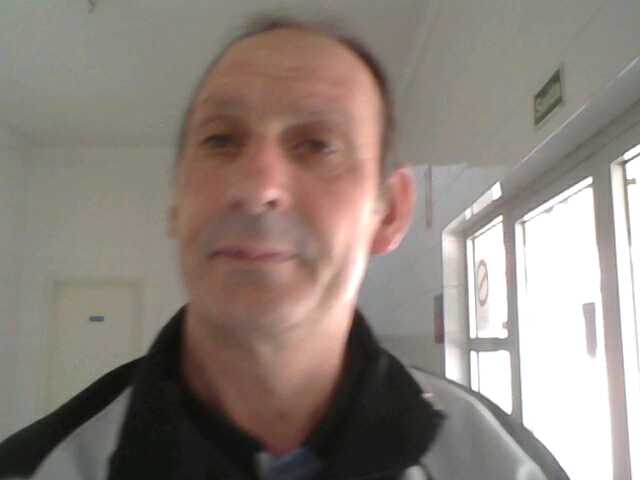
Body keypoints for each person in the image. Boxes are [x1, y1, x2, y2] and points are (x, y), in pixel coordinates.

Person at [0, 15, 569, 480]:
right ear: (176, 201)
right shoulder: (38, 467)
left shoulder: (503, 465)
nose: (256, 187)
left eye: (317, 144)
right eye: (221, 139)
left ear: (389, 212)